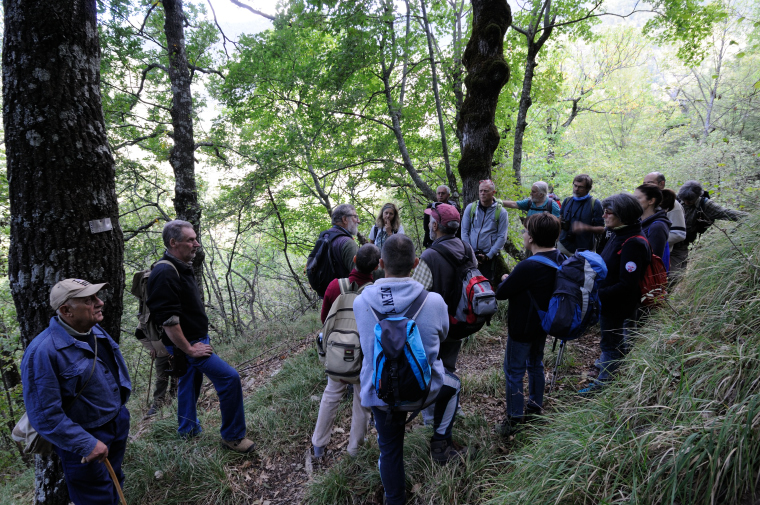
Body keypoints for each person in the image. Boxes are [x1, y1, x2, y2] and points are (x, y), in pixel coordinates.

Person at [354, 235, 465, 505]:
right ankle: (440, 441)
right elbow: (443, 335)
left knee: (390, 451)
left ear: (381, 264)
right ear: (416, 264)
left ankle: (394, 499)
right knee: (453, 386)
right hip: (425, 391)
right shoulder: (434, 301)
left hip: (381, 395)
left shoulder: (361, 302)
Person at [146, 220, 255, 453]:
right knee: (229, 379)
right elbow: (168, 320)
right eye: (190, 240)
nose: (196, 244)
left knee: (188, 384)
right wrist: (189, 349)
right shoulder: (165, 272)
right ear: (173, 243)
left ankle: (187, 430)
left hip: (193, 341)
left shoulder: (180, 266)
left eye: (195, 239)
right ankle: (233, 437)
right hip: (188, 344)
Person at [21, 279, 132, 505]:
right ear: (66, 311)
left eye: (96, 297)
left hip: (115, 422)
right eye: (89, 300)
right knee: (95, 497)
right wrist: (86, 444)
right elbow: (44, 415)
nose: (100, 303)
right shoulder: (42, 352)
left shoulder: (94, 330)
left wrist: (121, 415)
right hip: (86, 437)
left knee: (114, 482)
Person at [494, 214, 564, 435]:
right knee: (535, 364)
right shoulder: (560, 258)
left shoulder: (527, 266)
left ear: (531, 237)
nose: (523, 235)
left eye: (525, 232)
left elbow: (501, 293)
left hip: (522, 327)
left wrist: (506, 280)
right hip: (543, 324)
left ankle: (514, 418)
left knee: (514, 371)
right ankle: (535, 407)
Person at [312, 244, 381, 460]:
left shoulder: (335, 286)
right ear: (377, 267)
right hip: (363, 357)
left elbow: (325, 320)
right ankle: (354, 450)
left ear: (354, 259)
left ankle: (318, 444)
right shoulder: (375, 292)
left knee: (331, 395)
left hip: (337, 353)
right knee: (361, 400)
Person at [412, 203, 476, 425]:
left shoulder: (429, 255)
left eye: (431, 221)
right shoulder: (467, 248)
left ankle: (432, 421)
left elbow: (416, 292)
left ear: (435, 226)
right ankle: (453, 410)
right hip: (459, 321)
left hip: (433, 325)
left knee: (430, 371)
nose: (429, 224)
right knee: (448, 368)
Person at [580, 194, 650, 394]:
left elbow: (627, 285)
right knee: (612, 343)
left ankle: (603, 388)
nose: (604, 216)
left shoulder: (633, 243)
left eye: (608, 213)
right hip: (609, 302)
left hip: (617, 305)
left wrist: (598, 295)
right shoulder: (617, 233)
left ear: (623, 215)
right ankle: (608, 378)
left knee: (611, 345)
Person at [672, 181, 747, 274]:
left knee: (676, 275)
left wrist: (752, 217)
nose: (686, 202)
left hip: (681, 246)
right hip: (667, 242)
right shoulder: (674, 200)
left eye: (690, 200)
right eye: (684, 199)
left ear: (698, 196)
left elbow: (727, 213)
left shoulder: (705, 205)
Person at [461, 179, 509, 283]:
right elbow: (464, 231)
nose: (482, 193)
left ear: (493, 192)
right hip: (470, 255)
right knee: (468, 283)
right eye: (481, 191)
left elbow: (502, 237)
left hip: (489, 258)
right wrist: (470, 252)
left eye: (486, 191)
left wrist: (488, 256)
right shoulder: (471, 208)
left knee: (485, 284)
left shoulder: (501, 212)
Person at [643, 172, 686, 272]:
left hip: (668, 253)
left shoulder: (672, 205)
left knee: (668, 278)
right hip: (648, 252)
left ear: (661, 184)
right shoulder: (646, 203)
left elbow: (679, 233)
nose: (646, 186)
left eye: (650, 183)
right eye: (644, 183)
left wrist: (654, 240)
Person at [558, 174, 604, 255]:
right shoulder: (567, 200)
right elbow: (560, 219)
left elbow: (602, 229)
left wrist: (585, 227)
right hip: (563, 245)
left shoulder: (595, 203)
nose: (576, 189)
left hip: (584, 250)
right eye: (575, 185)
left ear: (588, 189)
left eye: (581, 187)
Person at [634, 184, 671, 266]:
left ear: (651, 201)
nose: (633, 201)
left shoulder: (657, 226)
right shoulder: (637, 222)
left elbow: (654, 259)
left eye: (637, 198)